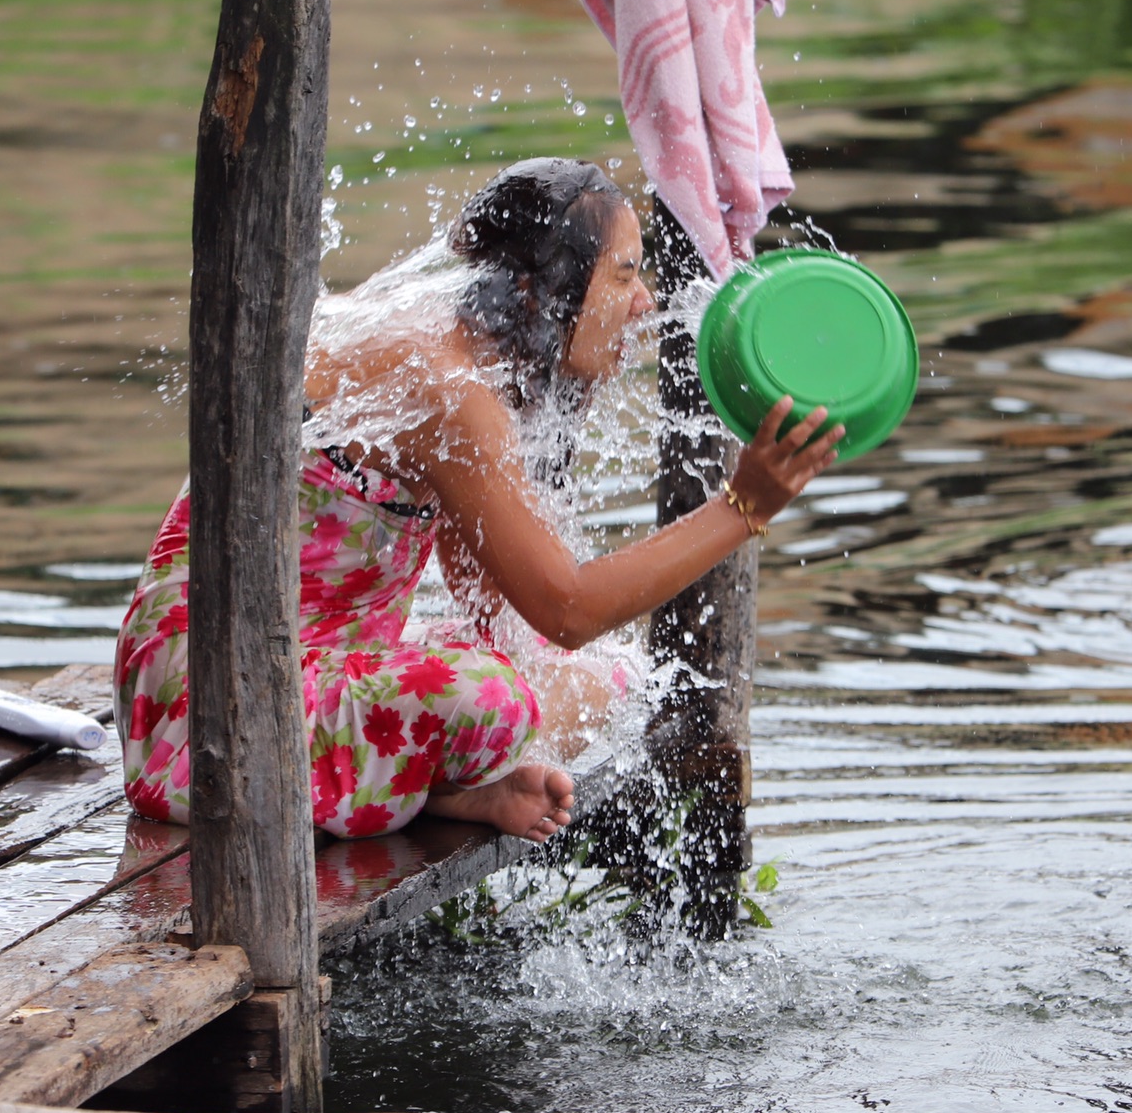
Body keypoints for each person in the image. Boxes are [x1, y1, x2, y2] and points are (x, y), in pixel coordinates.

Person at [114, 158, 843, 845]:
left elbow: (494, 606)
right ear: (539, 294)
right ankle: (443, 783)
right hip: (211, 715)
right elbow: (567, 610)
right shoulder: (449, 389)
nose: (645, 301)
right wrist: (742, 507)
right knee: (495, 696)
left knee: (610, 678)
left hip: (282, 672)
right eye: (623, 277)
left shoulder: (463, 353)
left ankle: (441, 783)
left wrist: (540, 683)